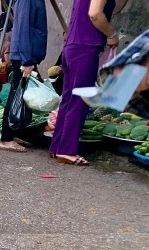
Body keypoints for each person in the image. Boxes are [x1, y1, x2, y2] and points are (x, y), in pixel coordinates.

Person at [49, 0, 130, 165]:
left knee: (68, 100)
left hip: (72, 47)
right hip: (85, 48)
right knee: (79, 101)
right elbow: (95, 14)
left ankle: (57, 146)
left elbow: (110, 8)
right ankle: (67, 151)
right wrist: (111, 34)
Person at [0, 0, 47, 153]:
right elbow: (23, 28)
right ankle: (6, 139)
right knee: (15, 96)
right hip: (23, 56)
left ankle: (12, 133)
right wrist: (26, 60)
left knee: (20, 96)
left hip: (26, 55)